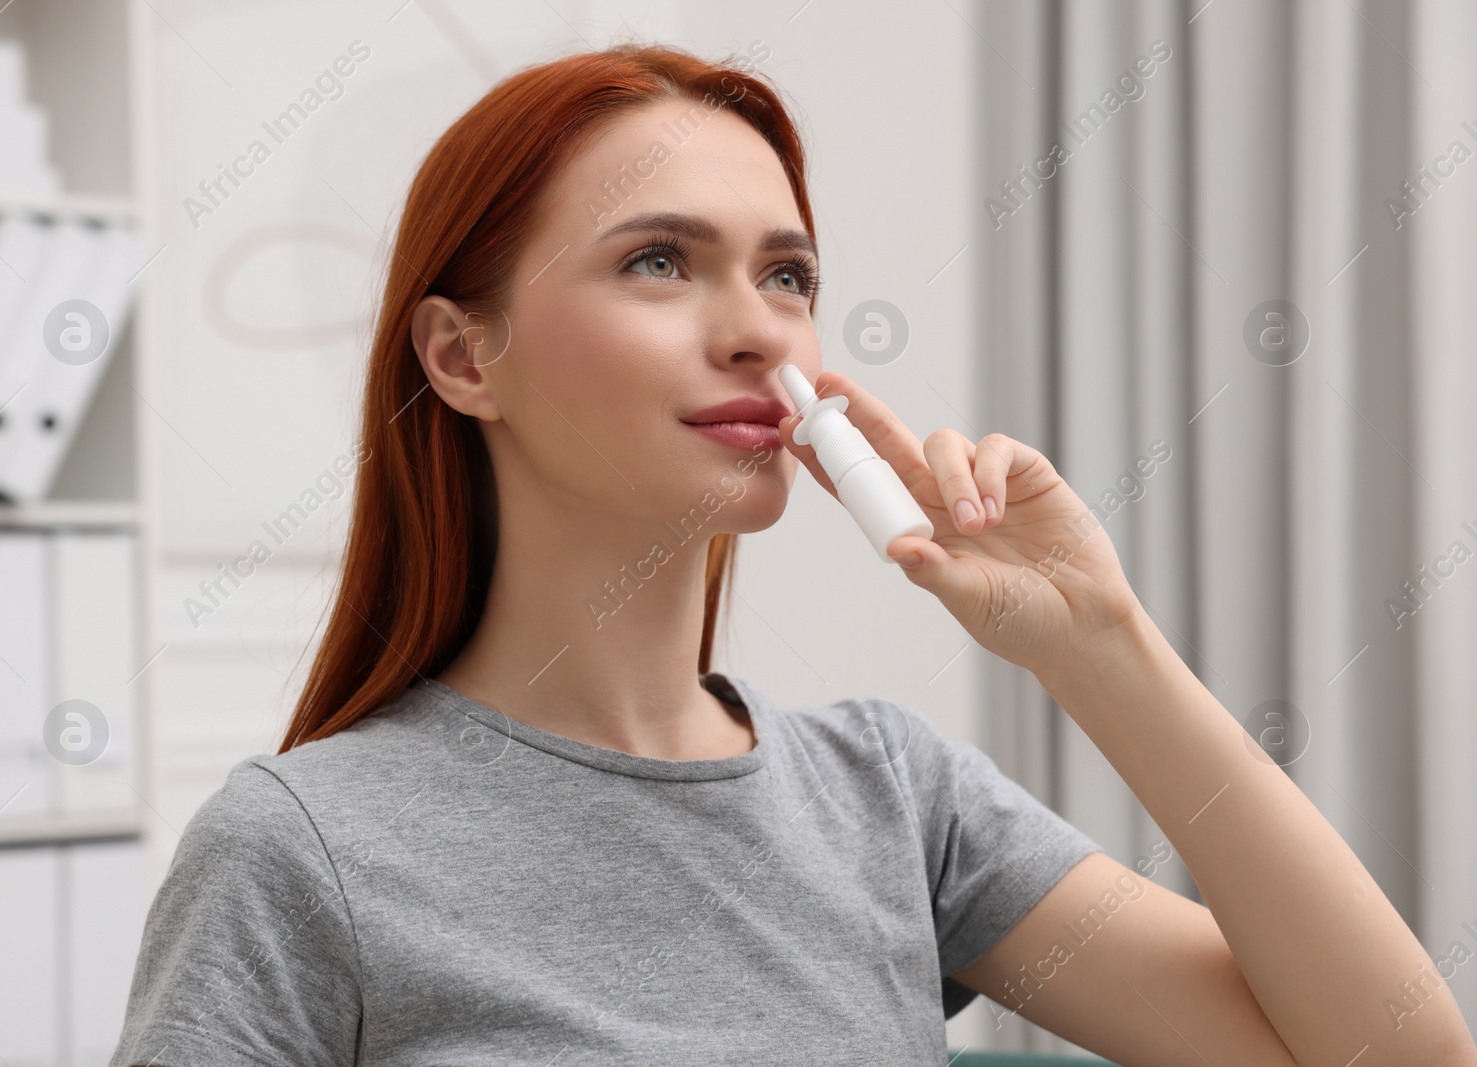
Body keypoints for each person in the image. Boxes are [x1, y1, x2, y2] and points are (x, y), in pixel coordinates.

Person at [110, 41, 1477, 1067]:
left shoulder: (890, 797)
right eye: (659, 261)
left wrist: (1099, 643)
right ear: (465, 357)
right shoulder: (299, 854)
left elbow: (1400, 1055)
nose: (763, 331)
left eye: (789, 276)